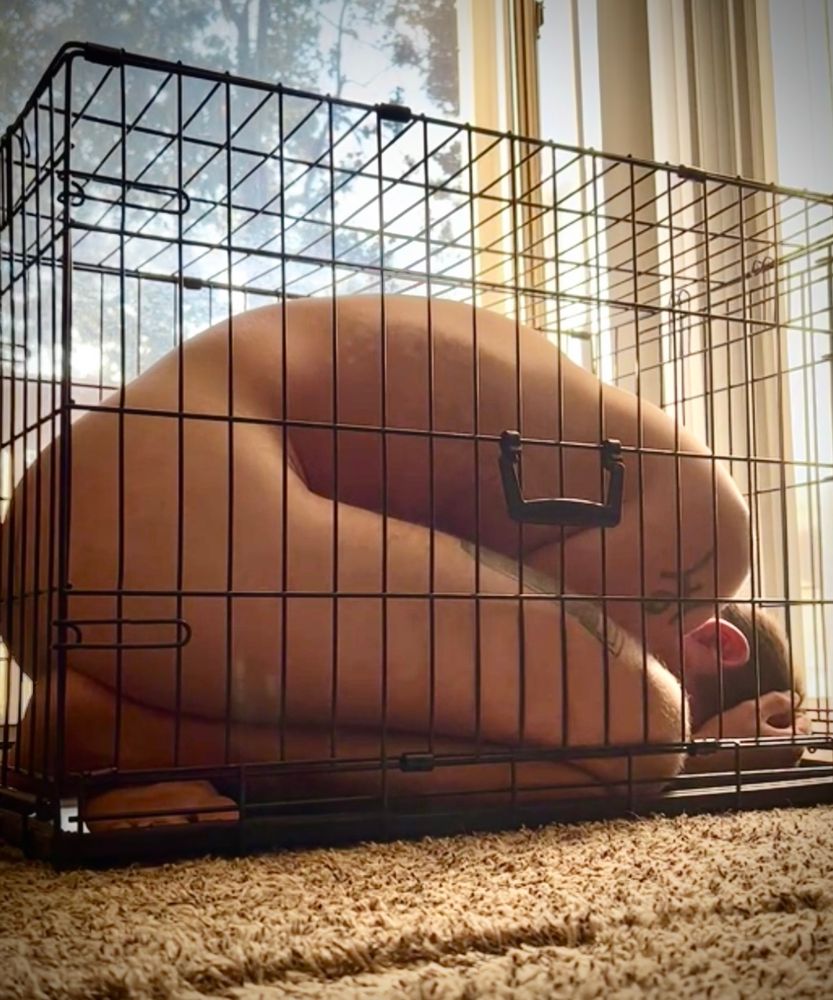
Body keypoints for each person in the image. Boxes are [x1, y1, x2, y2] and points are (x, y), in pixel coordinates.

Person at [1, 295, 810, 829]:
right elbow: (548, 668)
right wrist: (708, 742)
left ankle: (121, 725)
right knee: (643, 734)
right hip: (175, 496)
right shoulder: (712, 526)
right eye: (684, 670)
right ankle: (135, 738)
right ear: (717, 643)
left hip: (62, 542)